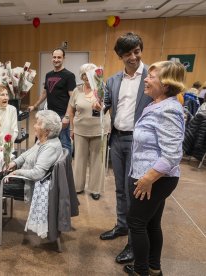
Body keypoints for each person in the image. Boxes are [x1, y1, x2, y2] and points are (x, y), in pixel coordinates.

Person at [123, 61, 186, 276]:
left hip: (155, 178)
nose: (146, 80)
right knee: (151, 223)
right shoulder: (156, 104)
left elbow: (173, 154)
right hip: (152, 176)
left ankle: (142, 271)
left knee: (136, 222)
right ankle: (153, 268)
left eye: (152, 77)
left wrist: (148, 178)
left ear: (166, 85)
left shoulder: (168, 109)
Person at [94, 32, 152, 264]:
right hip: (117, 138)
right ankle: (121, 225)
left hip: (140, 143)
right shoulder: (113, 80)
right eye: (127, 54)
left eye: (136, 52)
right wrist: (98, 105)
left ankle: (133, 239)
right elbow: (105, 105)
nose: (133, 57)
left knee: (133, 192)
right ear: (120, 55)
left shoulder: (151, 77)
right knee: (119, 188)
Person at [67, 63, 111, 200]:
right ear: (81, 76)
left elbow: (109, 108)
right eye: (84, 74)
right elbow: (71, 110)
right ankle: (77, 187)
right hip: (80, 129)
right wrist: (72, 128)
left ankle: (95, 189)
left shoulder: (103, 88)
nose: (87, 77)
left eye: (90, 73)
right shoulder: (77, 90)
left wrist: (109, 128)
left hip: (99, 130)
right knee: (79, 159)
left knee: (98, 160)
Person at [4, 110, 62, 201]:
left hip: (29, 185)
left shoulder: (50, 148)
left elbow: (37, 174)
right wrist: (14, 163)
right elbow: (26, 154)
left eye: (38, 124)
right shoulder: (42, 139)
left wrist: (16, 172)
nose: (34, 126)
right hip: (25, 178)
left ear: (47, 131)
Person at [28, 48, 76, 154]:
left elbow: (72, 98)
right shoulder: (48, 75)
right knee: (48, 140)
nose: (56, 59)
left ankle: (65, 166)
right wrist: (34, 106)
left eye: (59, 57)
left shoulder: (69, 76)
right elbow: (45, 93)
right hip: (50, 115)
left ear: (63, 58)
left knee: (65, 142)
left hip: (63, 115)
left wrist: (67, 116)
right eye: (54, 57)